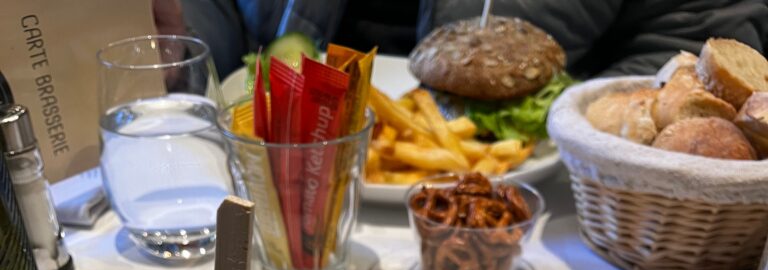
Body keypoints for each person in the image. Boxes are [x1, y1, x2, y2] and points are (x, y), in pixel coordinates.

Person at [158, 0, 768, 79]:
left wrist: (589, 125)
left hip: (538, 219)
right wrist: (176, 48)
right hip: (282, 184)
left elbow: (699, 25)